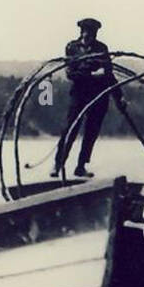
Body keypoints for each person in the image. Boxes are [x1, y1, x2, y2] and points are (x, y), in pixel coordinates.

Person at [53, 17, 119, 178]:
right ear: (81, 32)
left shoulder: (102, 48)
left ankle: (81, 166)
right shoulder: (72, 47)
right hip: (79, 94)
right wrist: (92, 74)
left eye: (92, 33)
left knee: (91, 132)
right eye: (86, 32)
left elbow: (109, 75)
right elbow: (71, 74)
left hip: (99, 96)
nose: (89, 35)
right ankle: (58, 165)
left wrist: (119, 98)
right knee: (69, 129)